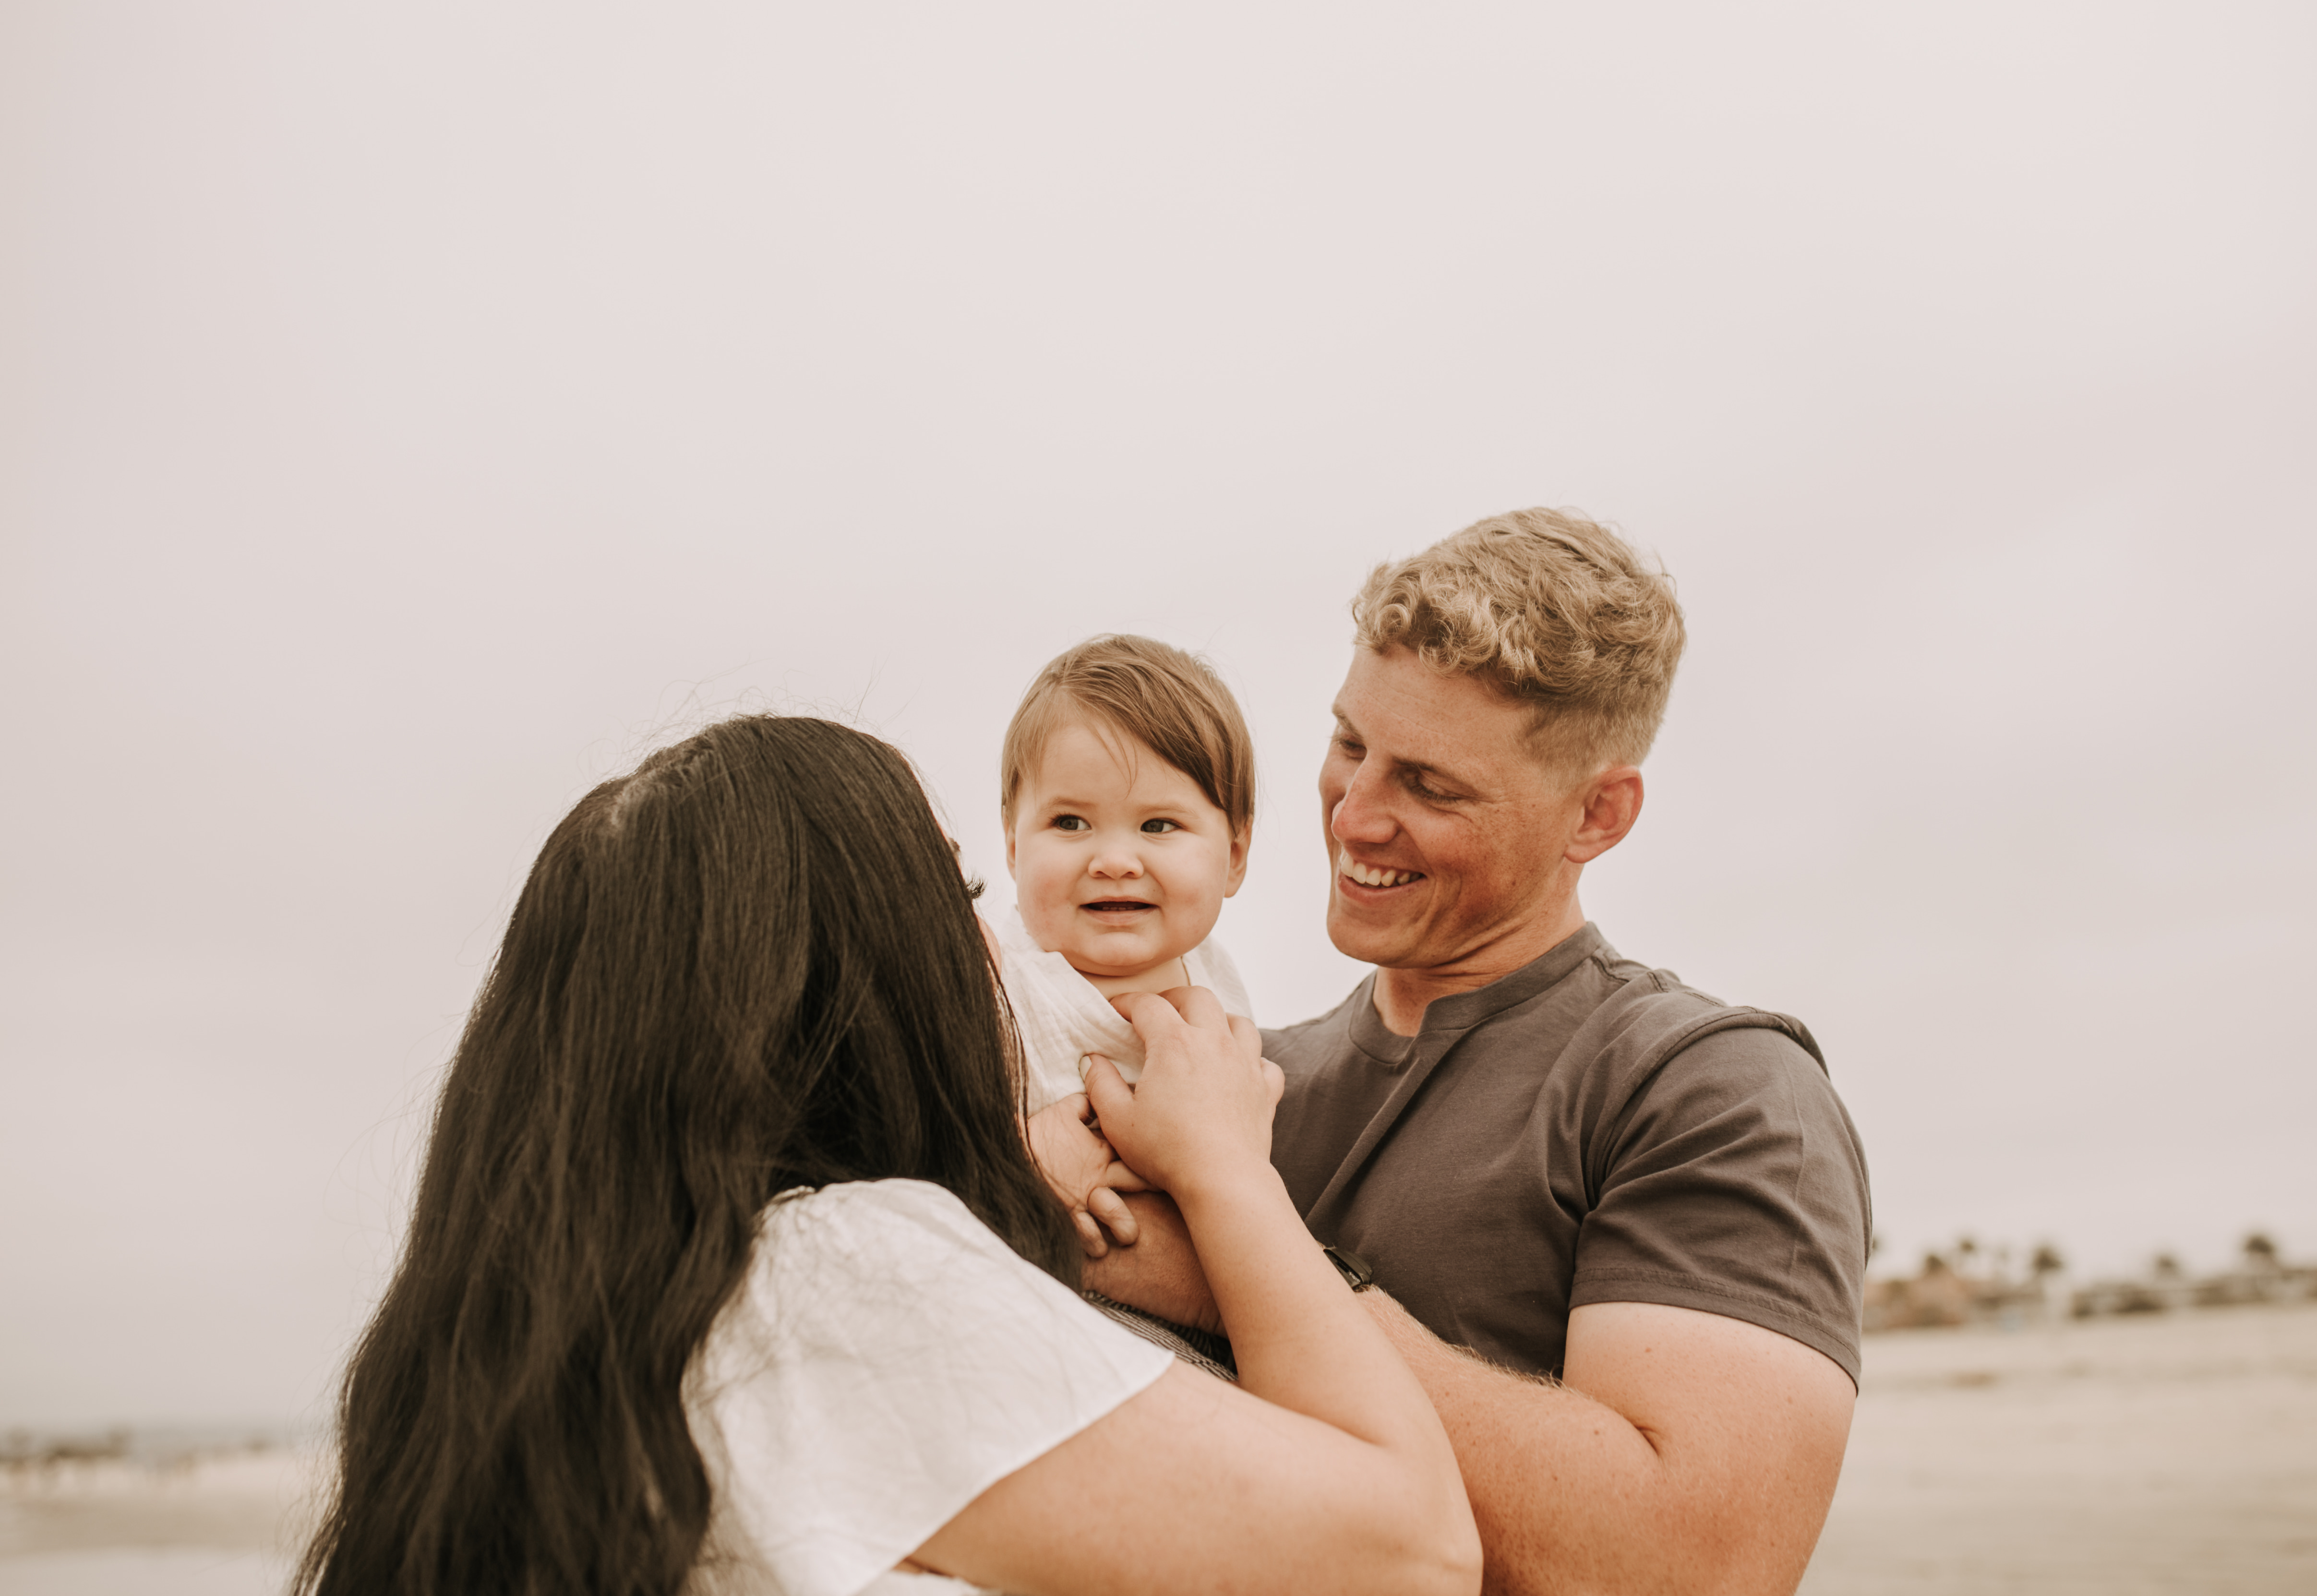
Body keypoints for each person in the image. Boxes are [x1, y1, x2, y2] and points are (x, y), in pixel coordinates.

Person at [295, 715, 1479, 1596]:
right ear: (855, 977)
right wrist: (1230, 1172)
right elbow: (1412, 1552)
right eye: (957, 886)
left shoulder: (589, 1320)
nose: (992, 941)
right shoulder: (837, 1272)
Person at [1088, 508, 1873, 1596]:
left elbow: (1690, 1567)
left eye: (1429, 784)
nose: (1354, 816)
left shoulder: (1713, 1089)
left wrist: (1233, 1263)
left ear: (1597, 814)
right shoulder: (1223, 1079)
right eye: (1350, 744)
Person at [994, 635, 1259, 1265]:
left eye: (1158, 826)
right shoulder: (998, 983)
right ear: (1011, 847)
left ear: (1235, 857)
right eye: (1069, 823)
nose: (1114, 861)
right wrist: (1018, 1167)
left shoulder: (1215, 979)